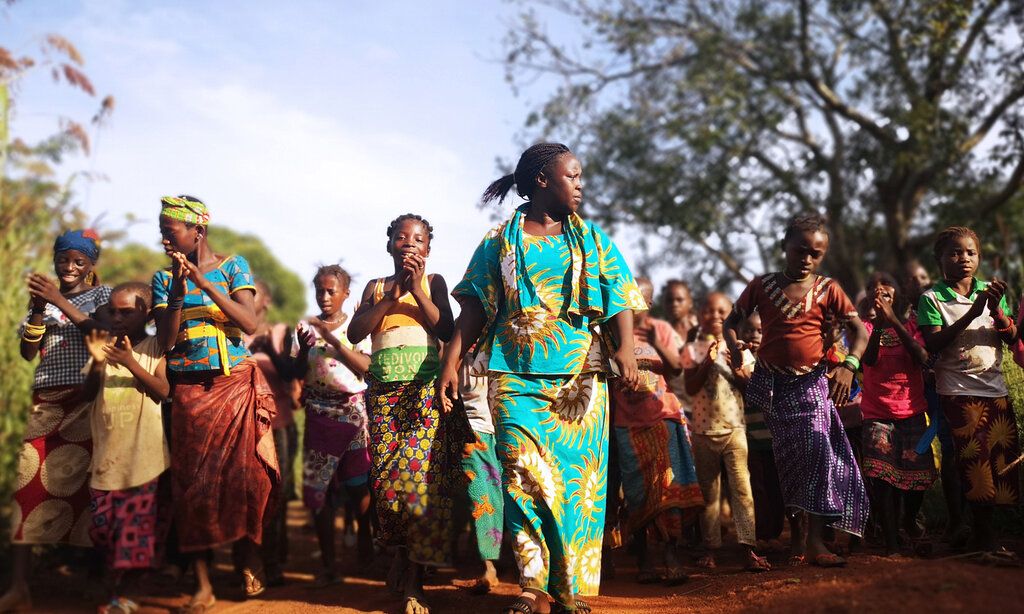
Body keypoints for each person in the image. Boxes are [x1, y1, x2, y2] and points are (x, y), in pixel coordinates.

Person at [437, 142, 646, 614]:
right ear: (542, 181)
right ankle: (532, 585)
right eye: (573, 176)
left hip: (580, 381)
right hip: (513, 376)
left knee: (576, 488)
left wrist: (627, 352)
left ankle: (568, 587)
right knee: (520, 474)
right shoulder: (497, 241)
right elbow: (472, 308)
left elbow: (620, 297)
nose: (581, 184)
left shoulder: (593, 239)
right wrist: (451, 362)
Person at [152, 195, 279, 611]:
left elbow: (248, 322)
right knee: (193, 489)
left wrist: (204, 284)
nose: (164, 239)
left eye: (170, 232)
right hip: (189, 392)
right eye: (162, 231)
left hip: (234, 385)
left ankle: (249, 555)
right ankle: (203, 583)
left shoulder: (232, 266)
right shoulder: (161, 277)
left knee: (248, 478)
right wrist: (176, 286)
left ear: (197, 232)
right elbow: (168, 340)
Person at [723, 213, 869, 568]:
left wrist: (848, 366)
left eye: (815, 254)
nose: (807, 259)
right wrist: (738, 347)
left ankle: (818, 541)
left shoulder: (829, 288)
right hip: (774, 387)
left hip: (813, 384)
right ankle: (799, 540)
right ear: (784, 247)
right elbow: (731, 322)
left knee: (819, 454)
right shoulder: (761, 285)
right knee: (788, 463)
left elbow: (860, 333)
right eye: (800, 250)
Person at [348, 214, 465, 614]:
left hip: (424, 396)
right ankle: (400, 550)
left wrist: (415, 288)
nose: (409, 243)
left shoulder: (433, 284)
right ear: (390, 245)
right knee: (384, 486)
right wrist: (393, 293)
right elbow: (355, 333)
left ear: (428, 249)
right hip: (383, 397)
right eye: (402, 237)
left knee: (418, 482)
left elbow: (447, 329)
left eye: (418, 238)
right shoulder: (376, 286)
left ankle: (416, 580)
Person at [0, 229, 112, 612]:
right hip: (44, 403)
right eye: (64, 259)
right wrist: (36, 308)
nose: (69, 267)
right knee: (26, 490)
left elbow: (102, 333)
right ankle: (20, 587)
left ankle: (99, 585)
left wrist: (57, 299)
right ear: (55, 260)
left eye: (78, 261)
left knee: (91, 495)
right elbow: (28, 352)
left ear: (90, 266)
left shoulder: (101, 296)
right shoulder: (43, 303)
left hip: (86, 400)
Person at [917, 226, 1020, 553]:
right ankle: (980, 534)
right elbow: (933, 342)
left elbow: (1012, 338)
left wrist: (997, 312)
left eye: (970, 253)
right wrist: (972, 313)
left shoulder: (992, 290)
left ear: (979, 257)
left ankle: (983, 531)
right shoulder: (931, 298)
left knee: (999, 464)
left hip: (995, 387)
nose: (963, 258)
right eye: (955, 253)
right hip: (958, 390)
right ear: (939, 259)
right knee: (972, 463)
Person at [82, 282, 171, 613]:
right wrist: (94, 363)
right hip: (106, 458)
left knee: (134, 532)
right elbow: (88, 395)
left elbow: (162, 390)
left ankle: (127, 595)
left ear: (145, 313)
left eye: (126, 312)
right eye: (113, 312)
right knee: (102, 529)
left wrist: (130, 362)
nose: (117, 319)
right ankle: (120, 587)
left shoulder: (155, 347)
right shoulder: (101, 347)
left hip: (143, 457)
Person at [612, 277, 703, 585]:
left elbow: (678, 368)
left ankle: (670, 555)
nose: (632, 302)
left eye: (639, 298)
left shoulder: (661, 329)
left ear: (649, 304)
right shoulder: (610, 332)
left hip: (662, 417)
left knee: (667, 488)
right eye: (627, 296)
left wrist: (658, 342)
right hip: (627, 424)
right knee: (637, 493)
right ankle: (644, 558)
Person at [292, 265, 373, 587]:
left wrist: (332, 341)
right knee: (319, 492)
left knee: (358, 486)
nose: (324, 298)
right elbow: (297, 371)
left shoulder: (357, 327)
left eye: (331, 291)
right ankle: (329, 562)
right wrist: (302, 349)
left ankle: (365, 538)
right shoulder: (304, 326)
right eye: (319, 291)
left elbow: (365, 367)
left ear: (345, 293)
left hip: (352, 413)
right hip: (317, 414)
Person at [682, 293, 768, 572]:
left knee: (743, 491)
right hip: (703, 431)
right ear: (701, 313)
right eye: (709, 309)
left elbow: (751, 390)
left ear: (732, 315)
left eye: (722, 311)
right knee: (709, 494)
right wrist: (706, 362)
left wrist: (737, 368)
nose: (715, 315)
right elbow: (691, 388)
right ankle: (710, 549)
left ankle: (748, 548)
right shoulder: (693, 348)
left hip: (735, 430)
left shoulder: (741, 349)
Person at [860, 272, 935, 556]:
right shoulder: (864, 328)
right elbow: (868, 359)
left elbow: (922, 357)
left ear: (896, 299)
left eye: (887, 295)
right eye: (876, 295)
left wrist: (893, 322)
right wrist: (880, 325)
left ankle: (908, 520)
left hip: (912, 412)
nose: (881, 300)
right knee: (883, 481)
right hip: (877, 414)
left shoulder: (913, 326)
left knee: (918, 479)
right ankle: (891, 544)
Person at [244, 279, 299, 587]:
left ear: (265, 303)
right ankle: (248, 562)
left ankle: (275, 562)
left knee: (276, 497)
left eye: (254, 295)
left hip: (278, 428)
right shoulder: (232, 334)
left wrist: (267, 348)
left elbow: (292, 373)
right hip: (245, 430)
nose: (246, 300)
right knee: (248, 496)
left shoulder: (279, 333)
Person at [451, 352, 504, 594]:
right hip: (471, 430)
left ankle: (498, 563)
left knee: (499, 497)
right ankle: (487, 566)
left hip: (503, 431)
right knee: (479, 495)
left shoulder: (500, 343)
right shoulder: (454, 348)